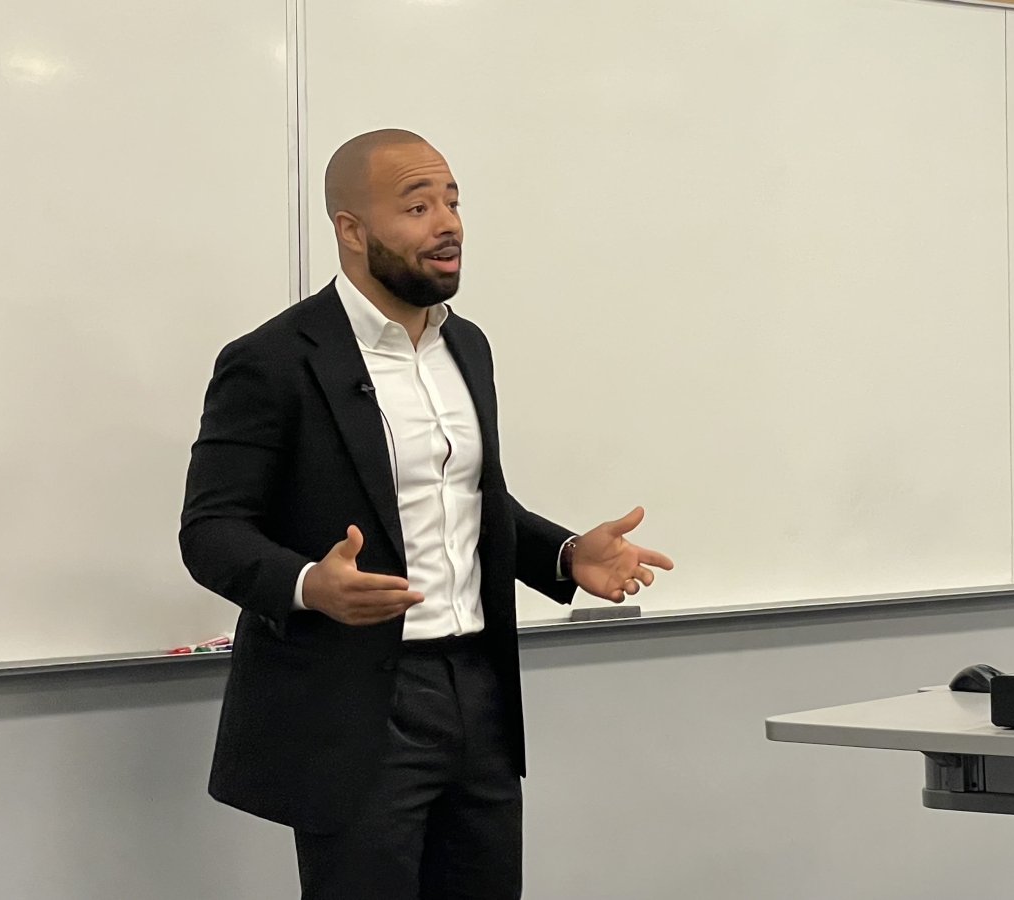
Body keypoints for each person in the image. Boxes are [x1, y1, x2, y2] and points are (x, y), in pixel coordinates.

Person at [179, 128, 673, 899]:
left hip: (477, 684)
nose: (448, 223)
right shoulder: (273, 361)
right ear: (352, 230)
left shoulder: (465, 347)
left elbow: (472, 502)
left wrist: (566, 554)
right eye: (417, 206)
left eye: (452, 201)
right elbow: (210, 533)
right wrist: (310, 584)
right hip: (360, 703)